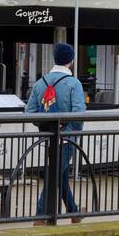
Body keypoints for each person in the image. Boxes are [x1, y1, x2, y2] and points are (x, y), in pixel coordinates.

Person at [24, 42, 86, 225]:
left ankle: (74, 211)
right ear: (71, 61)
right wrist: (72, 129)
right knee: (55, 174)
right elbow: (78, 114)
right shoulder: (74, 83)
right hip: (67, 138)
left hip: (48, 137)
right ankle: (40, 214)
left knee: (60, 173)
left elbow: (30, 114)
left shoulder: (40, 82)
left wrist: (46, 123)